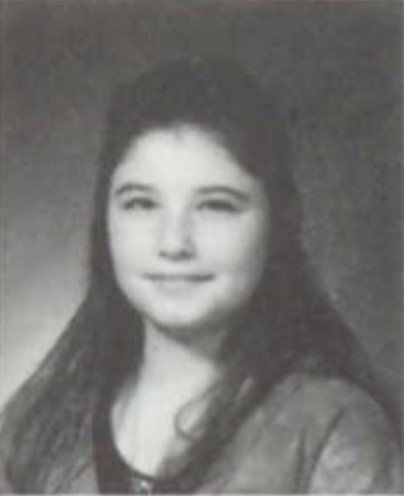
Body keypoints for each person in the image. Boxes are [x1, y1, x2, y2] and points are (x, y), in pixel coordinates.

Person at [0, 56, 402, 494]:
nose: (174, 243)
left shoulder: (331, 428)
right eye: (141, 203)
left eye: (216, 205)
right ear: (105, 221)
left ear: (278, 223)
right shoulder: (39, 431)